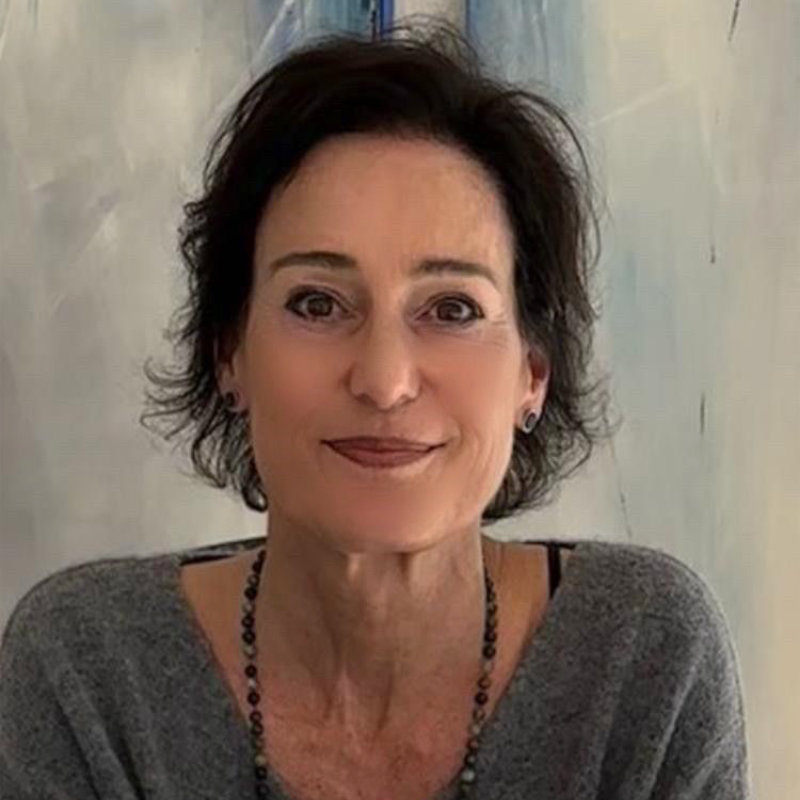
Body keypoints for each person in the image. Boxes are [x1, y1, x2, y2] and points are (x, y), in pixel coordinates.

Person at [0, 18, 751, 800]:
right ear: (230, 354)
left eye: (453, 309)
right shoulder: (86, 671)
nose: (385, 381)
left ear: (533, 373)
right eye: (317, 303)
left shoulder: (643, 657)